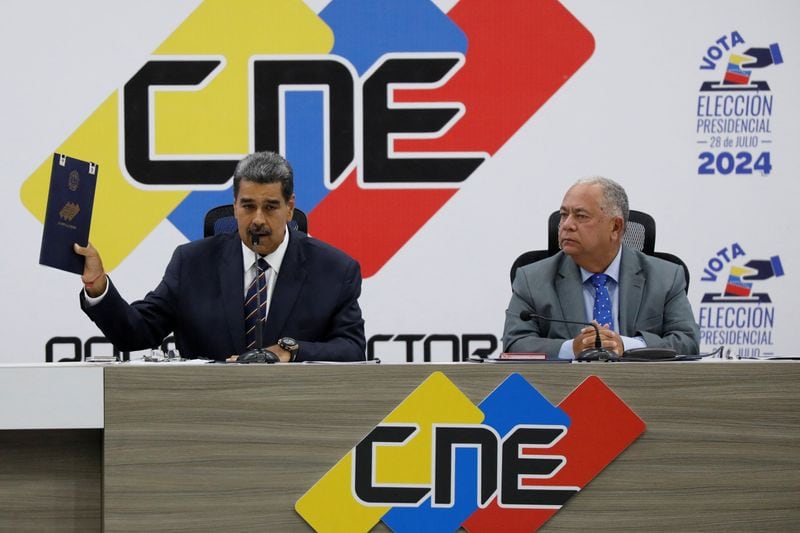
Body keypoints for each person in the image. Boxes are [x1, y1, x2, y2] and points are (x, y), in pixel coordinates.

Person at [75, 151, 366, 362]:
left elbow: (352, 348)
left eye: (271, 207)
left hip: (294, 418)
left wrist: (291, 351)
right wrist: (98, 286)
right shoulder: (191, 263)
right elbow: (136, 333)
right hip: (206, 418)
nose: (258, 220)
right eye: (248, 206)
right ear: (235, 205)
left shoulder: (335, 270)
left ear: (290, 208)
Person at [503, 177, 699, 359]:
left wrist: (627, 345)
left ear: (615, 227)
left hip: (642, 389)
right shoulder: (531, 279)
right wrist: (572, 348)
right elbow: (514, 344)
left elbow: (688, 341)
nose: (566, 225)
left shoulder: (666, 277)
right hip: (563, 391)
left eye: (580, 216)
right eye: (564, 215)